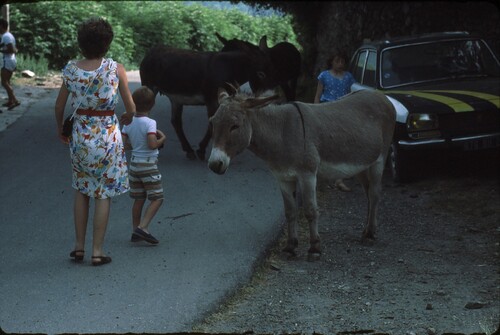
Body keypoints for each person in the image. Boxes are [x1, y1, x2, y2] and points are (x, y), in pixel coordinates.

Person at [54, 17, 136, 266]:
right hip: (108, 134)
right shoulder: (115, 69)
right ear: (107, 43)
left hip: (80, 134)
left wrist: (61, 130)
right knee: (103, 192)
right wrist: (127, 116)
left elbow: (59, 106)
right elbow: (131, 108)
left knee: (81, 189)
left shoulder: (70, 69)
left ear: (81, 43)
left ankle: (78, 247)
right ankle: (97, 251)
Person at [121, 86, 166, 245]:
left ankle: (135, 230)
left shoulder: (128, 123)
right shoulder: (150, 123)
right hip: (148, 166)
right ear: (152, 104)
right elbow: (152, 144)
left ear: (133, 102)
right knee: (157, 198)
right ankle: (143, 226)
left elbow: (125, 145)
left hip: (134, 166)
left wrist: (135, 145)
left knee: (138, 199)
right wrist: (162, 138)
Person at [314, 51, 356, 192]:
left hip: (343, 112)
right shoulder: (324, 76)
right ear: (331, 61)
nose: (340, 64)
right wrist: (315, 110)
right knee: (326, 144)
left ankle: (339, 179)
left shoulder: (349, 77)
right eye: (337, 61)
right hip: (327, 111)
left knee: (342, 144)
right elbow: (318, 95)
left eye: (342, 61)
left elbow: (352, 94)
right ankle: (325, 176)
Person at [0, 18, 20, 110]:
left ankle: (15, 100)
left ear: (1, 26)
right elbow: (15, 49)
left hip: (7, 61)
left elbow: (11, 50)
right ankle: (10, 101)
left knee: (4, 82)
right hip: (11, 60)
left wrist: (1, 50)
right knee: (7, 82)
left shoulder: (5, 36)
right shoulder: (9, 35)